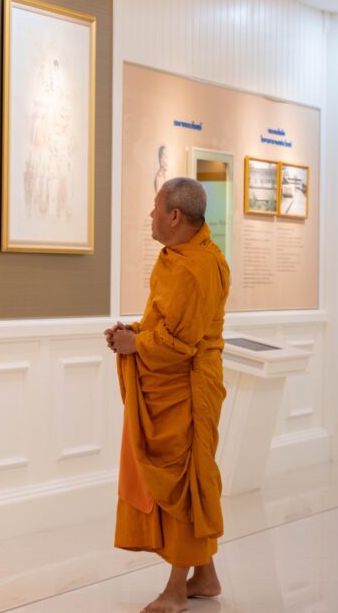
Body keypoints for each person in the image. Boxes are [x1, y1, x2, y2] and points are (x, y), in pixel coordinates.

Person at [105, 177, 231, 613]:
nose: (151, 215)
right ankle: (205, 576)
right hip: (172, 382)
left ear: (174, 216)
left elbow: (182, 343)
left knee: (183, 481)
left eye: (155, 208)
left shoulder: (199, 266)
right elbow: (167, 321)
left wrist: (136, 344)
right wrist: (136, 332)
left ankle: (176, 589)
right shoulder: (178, 257)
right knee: (183, 477)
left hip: (188, 389)